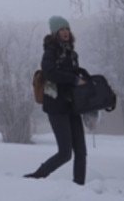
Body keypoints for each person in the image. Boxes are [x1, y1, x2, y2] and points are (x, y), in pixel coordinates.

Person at [24, 15, 87, 185]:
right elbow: (50, 72)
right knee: (65, 153)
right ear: (55, 32)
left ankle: (79, 186)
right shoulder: (50, 51)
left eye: (67, 29)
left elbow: (73, 74)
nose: (65, 32)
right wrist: (74, 79)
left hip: (72, 105)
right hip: (56, 106)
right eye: (61, 30)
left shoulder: (72, 53)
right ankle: (37, 177)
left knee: (81, 151)